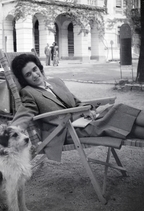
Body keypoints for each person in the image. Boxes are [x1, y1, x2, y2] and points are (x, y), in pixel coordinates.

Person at [10, 53, 144, 161]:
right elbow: (25, 112)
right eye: (28, 74)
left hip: (85, 120)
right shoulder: (28, 92)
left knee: (117, 111)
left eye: (35, 69)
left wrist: (88, 109)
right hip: (67, 130)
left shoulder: (55, 82)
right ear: (24, 79)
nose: (34, 75)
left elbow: (76, 102)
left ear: (39, 67)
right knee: (117, 118)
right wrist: (12, 130)